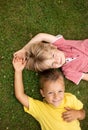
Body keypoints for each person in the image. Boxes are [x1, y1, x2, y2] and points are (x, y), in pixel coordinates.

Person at [12, 57, 85, 130]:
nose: (56, 97)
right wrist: (18, 71)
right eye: (50, 93)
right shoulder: (41, 109)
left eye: (60, 91)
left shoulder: (70, 99)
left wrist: (78, 113)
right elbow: (20, 95)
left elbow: (83, 113)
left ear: (64, 89)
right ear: (43, 93)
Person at [13, 33, 88, 84]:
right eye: (52, 64)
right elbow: (85, 76)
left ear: (53, 47)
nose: (57, 61)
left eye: (53, 56)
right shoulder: (68, 72)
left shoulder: (62, 44)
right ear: (51, 68)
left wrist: (24, 50)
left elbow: (41, 36)